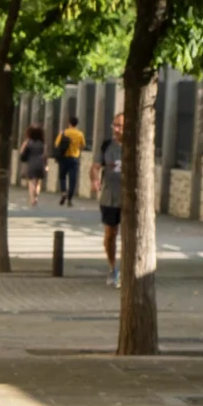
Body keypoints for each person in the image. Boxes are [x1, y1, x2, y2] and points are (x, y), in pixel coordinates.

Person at [91, 112, 126, 287]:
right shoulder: (107, 146)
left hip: (129, 199)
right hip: (109, 197)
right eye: (115, 125)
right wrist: (95, 179)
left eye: (120, 126)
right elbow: (95, 166)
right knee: (110, 234)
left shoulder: (137, 145)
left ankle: (129, 269)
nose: (116, 129)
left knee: (130, 236)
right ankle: (113, 267)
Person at [54, 115, 86, 205]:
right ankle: (70, 199)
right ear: (76, 124)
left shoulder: (64, 133)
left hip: (64, 157)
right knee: (73, 179)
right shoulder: (80, 134)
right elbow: (83, 145)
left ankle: (63, 192)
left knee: (62, 176)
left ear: (69, 123)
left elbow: (56, 144)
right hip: (74, 158)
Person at [18, 124, 49, 207]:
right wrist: (46, 165)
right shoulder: (43, 143)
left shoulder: (28, 142)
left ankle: (32, 199)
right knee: (38, 182)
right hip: (40, 163)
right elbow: (45, 155)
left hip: (31, 163)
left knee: (31, 182)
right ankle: (36, 196)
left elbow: (21, 152)